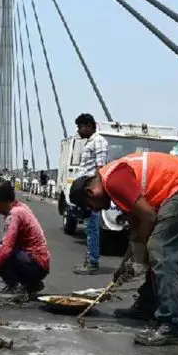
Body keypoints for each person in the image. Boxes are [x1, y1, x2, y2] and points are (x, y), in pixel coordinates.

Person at [69, 151, 178, 346]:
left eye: (91, 206)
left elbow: (148, 218)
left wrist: (140, 259)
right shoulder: (112, 182)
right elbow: (136, 230)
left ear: (90, 192)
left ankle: (171, 325)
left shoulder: (114, 181)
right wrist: (126, 264)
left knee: (160, 247)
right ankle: (146, 306)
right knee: (152, 248)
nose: (96, 210)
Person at [0, 179, 50, 298]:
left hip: (34, 264)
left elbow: (5, 249)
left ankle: (17, 286)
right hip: (39, 264)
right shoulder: (21, 206)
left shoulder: (14, 215)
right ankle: (31, 284)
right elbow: (3, 209)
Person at [72, 113, 108, 275]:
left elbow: (100, 167)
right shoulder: (90, 142)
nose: (78, 130)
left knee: (92, 227)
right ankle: (90, 260)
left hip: (91, 192)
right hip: (86, 191)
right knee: (89, 227)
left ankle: (92, 262)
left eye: (80, 127)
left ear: (88, 126)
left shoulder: (98, 141)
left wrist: (96, 192)